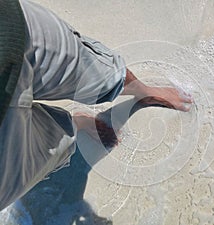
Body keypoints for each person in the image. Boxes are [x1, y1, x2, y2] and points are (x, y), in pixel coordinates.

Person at [0, 0, 193, 211]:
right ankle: (78, 122)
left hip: (8, 31)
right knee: (48, 149)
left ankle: (143, 91)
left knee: (99, 75)